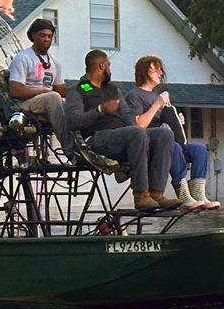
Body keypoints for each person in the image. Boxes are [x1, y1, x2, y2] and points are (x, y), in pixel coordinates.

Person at [63, 50, 180, 211]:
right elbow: (72, 121)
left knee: (164, 135)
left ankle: (156, 193)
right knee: (136, 133)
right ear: (102, 66)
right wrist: (100, 110)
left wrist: (139, 131)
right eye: (109, 66)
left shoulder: (112, 89)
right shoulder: (78, 90)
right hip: (96, 139)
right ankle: (141, 195)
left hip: (124, 137)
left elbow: (127, 115)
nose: (110, 70)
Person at [128, 55, 219, 211]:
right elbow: (139, 125)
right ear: (144, 71)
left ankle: (198, 194)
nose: (160, 72)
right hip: (154, 146)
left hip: (171, 139)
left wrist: (176, 120)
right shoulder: (134, 95)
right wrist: (157, 105)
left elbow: (164, 121)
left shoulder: (157, 96)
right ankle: (183, 195)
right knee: (174, 147)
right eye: (155, 69)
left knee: (200, 150)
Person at [8, 18, 71, 153]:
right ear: (33, 36)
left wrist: (85, 88)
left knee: (72, 103)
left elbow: (61, 90)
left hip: (47, 103)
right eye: (42, 35)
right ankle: (69, 149)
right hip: (23, 105)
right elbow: (15, 90)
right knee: (53, 97)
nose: (46, 39)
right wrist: (43, 92)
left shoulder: (55, 63)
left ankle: (88, 145)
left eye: (50, 36)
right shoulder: (23, 58)